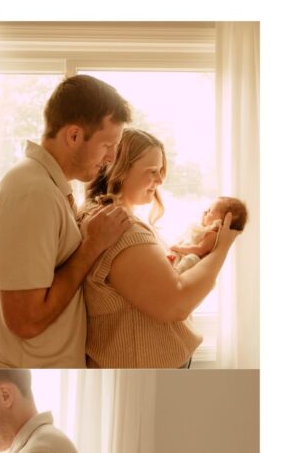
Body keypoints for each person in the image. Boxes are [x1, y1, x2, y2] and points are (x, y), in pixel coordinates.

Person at [0, 74, 134, 368]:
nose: (112, 157)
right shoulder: (32, 194)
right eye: (107, 145)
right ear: (74, 136)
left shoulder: (47, 186)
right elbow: (25, 321)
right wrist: (91, 245)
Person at [80, 129, 244, 368]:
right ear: (121, 171)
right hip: (145, 364)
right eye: (152, 172)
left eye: (160, 171)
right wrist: (222, 248)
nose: (159, 181)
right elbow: (176, 305)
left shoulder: (112, 221)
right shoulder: (124, 231)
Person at [169, 196, 248, 274]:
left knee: (191, 258)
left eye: (209, 211)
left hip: (195, 262)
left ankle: (176, 272)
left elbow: (199, 250)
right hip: (186, 254)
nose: (205, 212)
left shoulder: (213, 235)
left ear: (221, 221)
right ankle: (171, 265)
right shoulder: (204, 230)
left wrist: (179, 248)